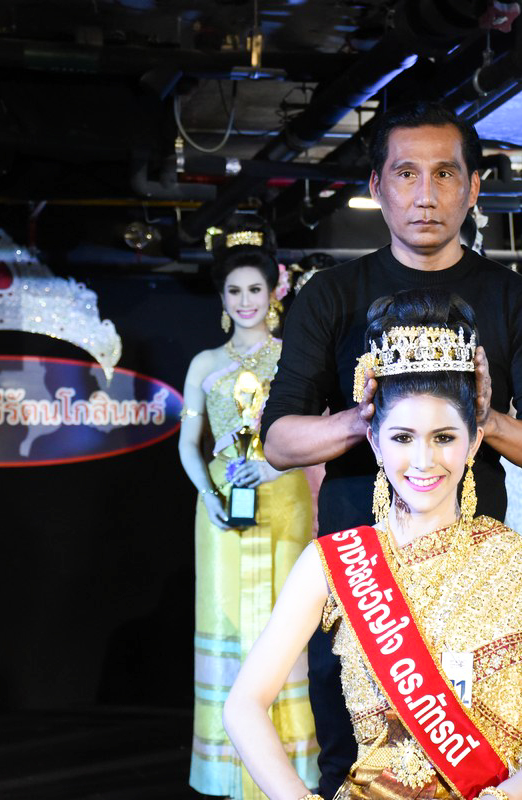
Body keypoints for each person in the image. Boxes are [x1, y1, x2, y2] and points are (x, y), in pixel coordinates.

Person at [260, 101, 522, 797]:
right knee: (350, 752)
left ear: (474, 186)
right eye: (406, 174)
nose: (426, 194)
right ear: (376, 186)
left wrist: (487, 421)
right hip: (360, 571)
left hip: (473, 568)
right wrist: (366, 421)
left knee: (484, 747)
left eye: (444, 173)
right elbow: (279, 439)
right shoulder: (331, 296)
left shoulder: (514, 298)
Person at [224, 289, 522, 800]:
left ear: (474, 441)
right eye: (402, 438)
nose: (423, 460)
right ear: (374, 440)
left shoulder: (511, 563)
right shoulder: (333, 563)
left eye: (444, 437)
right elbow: (243, 705)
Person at [178, 216, 318, 799]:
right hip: (221, 509)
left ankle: (288, 771)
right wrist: (207, 495)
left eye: (254, 289)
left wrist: (276, 468)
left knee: (284, 624)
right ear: (222, 296)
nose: (244, 301)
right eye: (234, 290)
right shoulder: (203, 363)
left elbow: (313, 435)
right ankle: (228, 766)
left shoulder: (294, 357)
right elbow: (188, 445)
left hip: (283, 498)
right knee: (227, 620)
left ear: (274, 291)